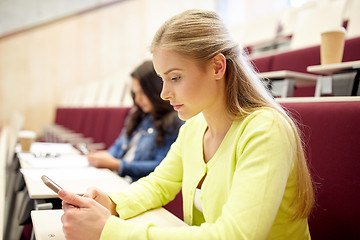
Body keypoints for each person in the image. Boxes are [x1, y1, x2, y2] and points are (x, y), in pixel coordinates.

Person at [59, 9, 315, 240]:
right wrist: (111, 203)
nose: (164, 93)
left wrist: (110, 231)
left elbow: (236, 235)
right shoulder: (194, 127)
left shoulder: (265, 130)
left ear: (217, 67)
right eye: (163, 79)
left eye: (175, 77)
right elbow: (159, 184)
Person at [87, 60, 183, 182]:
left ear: (156, 89)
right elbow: (118, 147)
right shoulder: (137, 115)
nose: (137, 99)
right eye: (135, 93)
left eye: (142, 93)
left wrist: (117, 165)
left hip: (136, 185)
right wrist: (102, 157)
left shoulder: (174, 121)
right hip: (118, 179)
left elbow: (162, 167)